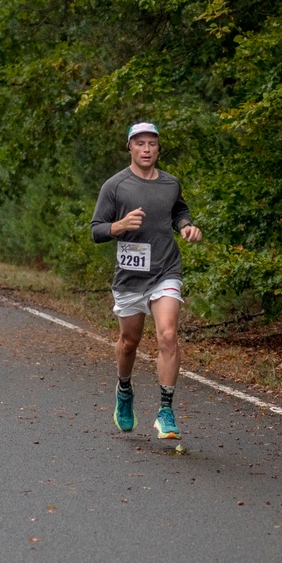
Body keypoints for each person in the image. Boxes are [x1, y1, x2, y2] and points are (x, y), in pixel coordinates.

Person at [90, 122, 202, 440]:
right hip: (129, 277)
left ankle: (166, 410)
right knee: (129, 342)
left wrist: (186, 227)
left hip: (165, 269)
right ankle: (124, 390)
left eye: (152, 143)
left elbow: (180, 211)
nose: (147, 149)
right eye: (140, 143)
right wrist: (119, 225)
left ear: (159, 148)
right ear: (130, 148)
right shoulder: (115, 186)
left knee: (167, 335)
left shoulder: (170, 183)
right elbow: (96, 229)